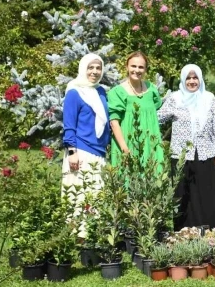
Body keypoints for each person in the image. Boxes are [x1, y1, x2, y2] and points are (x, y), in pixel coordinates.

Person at [157, 64, 215, 230]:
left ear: (200, 79)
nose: (192, 81)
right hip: (182, 156)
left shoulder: (209, 98)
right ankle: (186, 233)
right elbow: (157, 117)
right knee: (184, 195)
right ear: (183, 79)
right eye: (188, 78)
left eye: (195, 77)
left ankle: (214, 232)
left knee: (209, 195)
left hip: (208, 154)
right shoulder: (175, 98)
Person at [62, 53, 110, 235]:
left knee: (96, 195)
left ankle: (92, 235)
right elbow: (69, 125)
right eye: (91, 67)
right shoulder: (74, 92)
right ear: (83, 69)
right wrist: (72, 151)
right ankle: (77, 237)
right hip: (81, 151)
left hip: (99, 152)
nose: (95, 72)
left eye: (98, 68)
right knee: (79, 195)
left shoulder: (101, 92)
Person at [108, 51, 164, 167]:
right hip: (128, 144)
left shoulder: (152, 89)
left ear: (145, 69)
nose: (137, 70)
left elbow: (155, 110)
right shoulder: (117, 92)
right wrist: (125, 149)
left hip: (150, 144)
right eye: (133, 66)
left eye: (141, 67)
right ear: (127, 67)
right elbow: (114, 123)